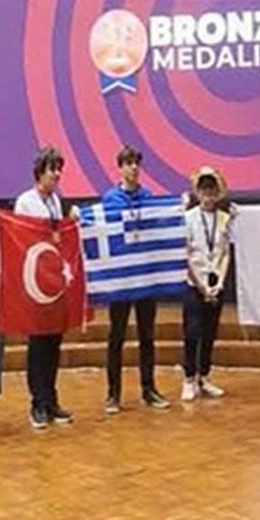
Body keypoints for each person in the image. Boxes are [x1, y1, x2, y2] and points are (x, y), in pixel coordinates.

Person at [100, 145, 170, 414]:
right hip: (121, 277)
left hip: (145, 276)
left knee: (147, 335)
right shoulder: (110, 199)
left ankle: (149, 389)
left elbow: (157, 229)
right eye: (128, 163)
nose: (133, 168)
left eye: (136, 163)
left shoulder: (148, 197)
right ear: (120, 168)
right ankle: (113, 393)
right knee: (116, 335)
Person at [14, 147, 74, 429]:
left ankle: (51, 400)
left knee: (53, 342)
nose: (57, 174)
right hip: (34, 281)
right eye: (53, 169)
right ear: (40, 172)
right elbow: (20, 236)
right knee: (38, 344)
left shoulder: (55, 202)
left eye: (60, 169)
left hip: (53, 282)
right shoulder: (25, 201)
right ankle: (37, 403)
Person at [181, 167, 234, 402]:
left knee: (210, 332)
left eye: (212, 189)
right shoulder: (188, 217)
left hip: (216, 282)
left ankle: (204, 376)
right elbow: (185, 255)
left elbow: (225, 252)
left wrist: (220, 282)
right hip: (194, 283)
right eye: (204, 189)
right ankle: (188, 378)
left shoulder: (224, 218)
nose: (208, 194)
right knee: (192, 333)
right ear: (198, 192)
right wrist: (201, 286)